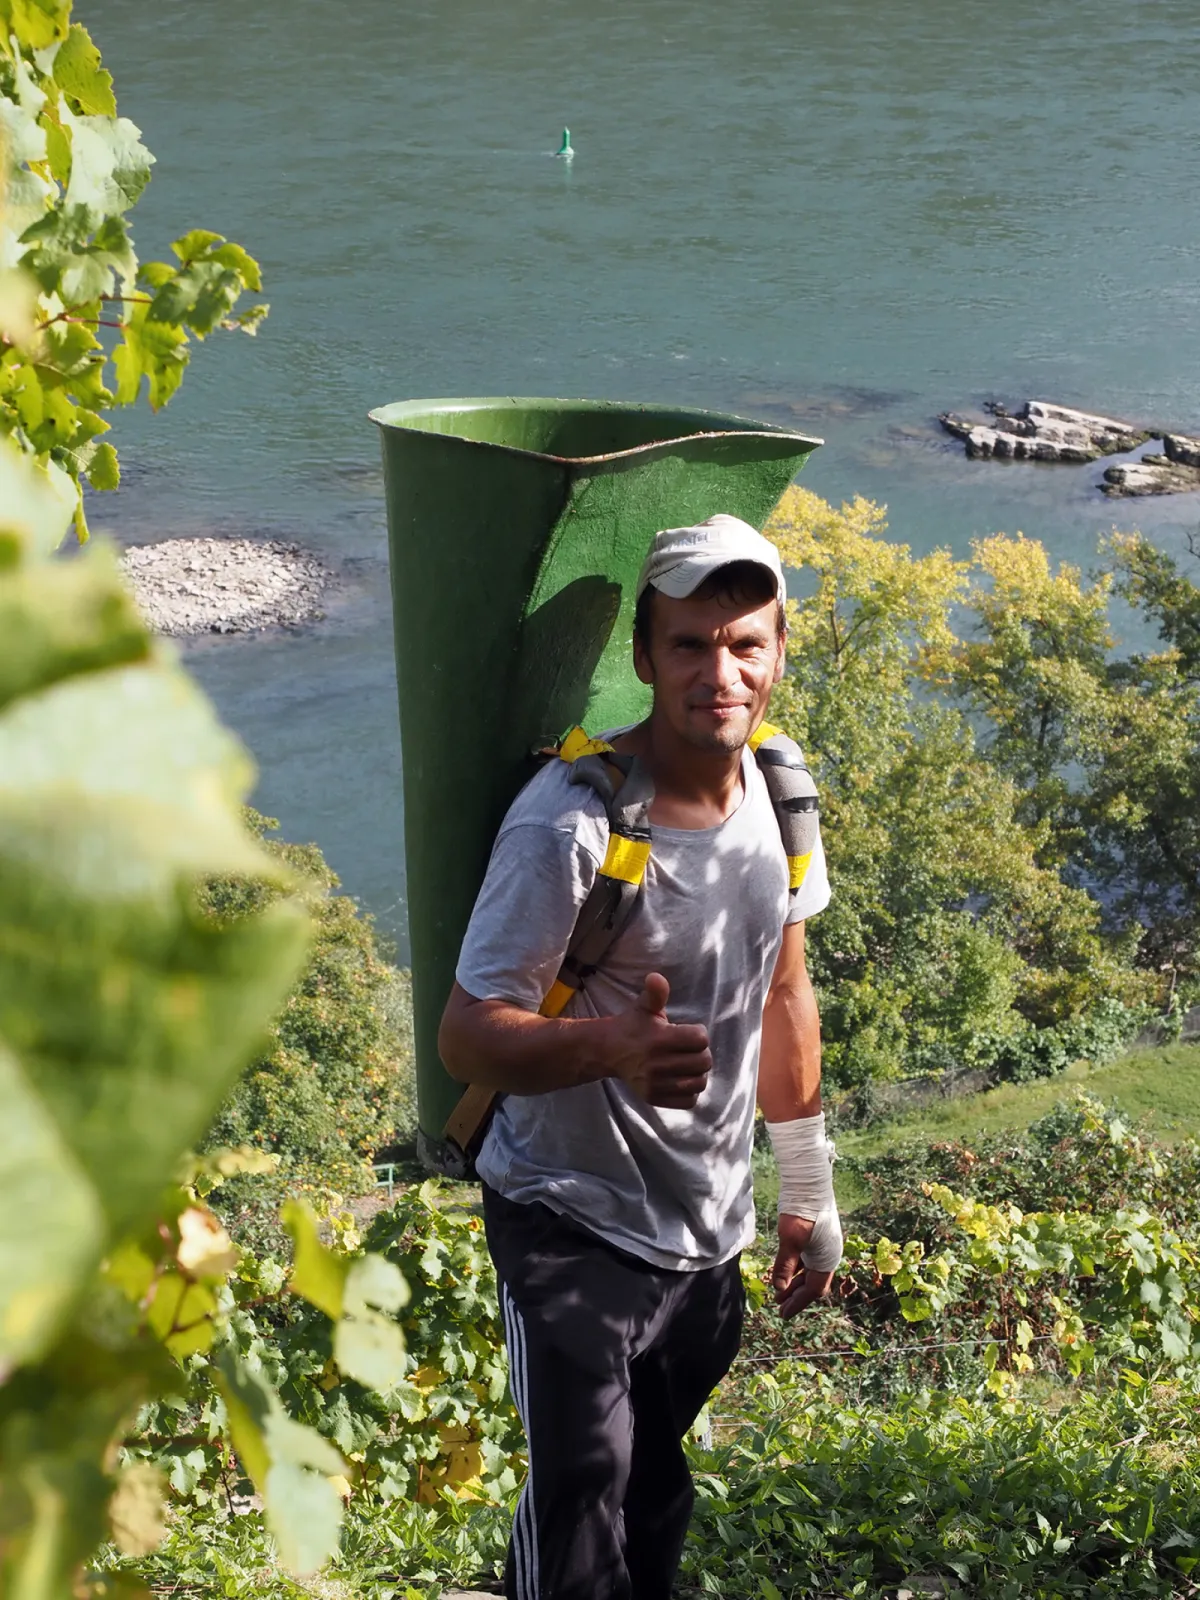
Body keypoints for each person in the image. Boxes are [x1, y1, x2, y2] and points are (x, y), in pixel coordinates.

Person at [438, 514, 842, 1600]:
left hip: (707, 1228)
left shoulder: (782, 791)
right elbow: (467, 1032)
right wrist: (607, 1049)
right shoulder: (568, 823)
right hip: (568, 1211)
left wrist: (807, 1188)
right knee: (583, 1484)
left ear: (780, 647)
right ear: (644, 655)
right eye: (690, 643)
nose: (723, 671)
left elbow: (786, 990)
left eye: (746, 642)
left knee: (655, 1484)